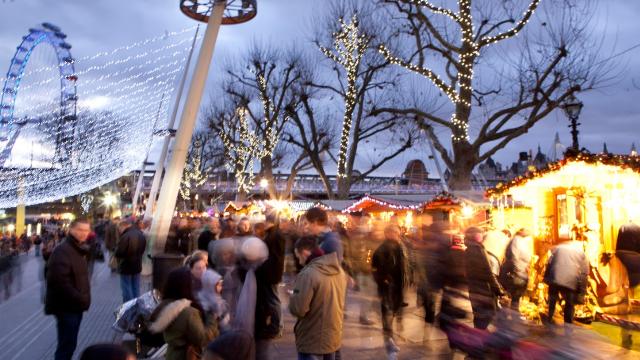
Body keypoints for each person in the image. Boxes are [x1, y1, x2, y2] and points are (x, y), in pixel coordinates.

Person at [290, 236, 347, 360]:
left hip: (312, 339)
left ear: (305, 253)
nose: (299, 261)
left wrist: (293, 296)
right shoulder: (339, 271)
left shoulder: (308, 274)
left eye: (298, 256)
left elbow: (298, 309)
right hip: (332, 337)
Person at [45, 219, 92, 360]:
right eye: (80, 230)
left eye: (86, 230)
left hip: (74, 306)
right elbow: (59, 282)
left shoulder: (77, 249)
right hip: (66, 307)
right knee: (66, 347)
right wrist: (80, 297)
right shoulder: (63, 251)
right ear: (71, 230)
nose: (84, 234)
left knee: (69, 344)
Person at [149, 267, 218, 360]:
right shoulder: (188, 313)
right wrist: (211, 317)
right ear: (187, 286)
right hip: (186, 356)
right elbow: (203, 339)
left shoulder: (166, 305)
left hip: (172, 354)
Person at [371, 224, 408, 357]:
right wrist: (385, 282)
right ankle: (389, 344)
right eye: (395, 233)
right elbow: (376, 269)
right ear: (388, 234)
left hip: (397, 288)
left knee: (391, 314)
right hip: (387, 289)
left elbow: (403, 267)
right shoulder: (382, 249)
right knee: (387, 316)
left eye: (398, 233)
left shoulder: (399, 247)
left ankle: (390, 339)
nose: (398, 236)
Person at [254, 212, 286, 360]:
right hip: (271, 272)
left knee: (273, 299)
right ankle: (276, 324)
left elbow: (274, 257)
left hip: (271, 273)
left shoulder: (275, 235)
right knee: (273, 299)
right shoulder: (273, 234)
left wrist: (262, 267)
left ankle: (277, 325)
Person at [464, 227, 504, 330]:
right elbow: (487, 271)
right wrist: (498, 288)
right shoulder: (477, 250)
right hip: (483, 289)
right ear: (475, 236)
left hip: (474, 288)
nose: (482, 235)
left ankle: (478, 338)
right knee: (486, 316)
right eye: (480, 233)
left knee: (479, 316)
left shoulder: (469, 249)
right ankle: (480, 339)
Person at [544, 239, 589, 325]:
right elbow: (584, 273)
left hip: (555, 277)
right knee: (569, 304)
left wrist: (546, 278)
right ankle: (568, 327)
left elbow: (549, 263)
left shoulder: (558, 248)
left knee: (552, 300)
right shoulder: (580, 252)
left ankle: (549, 319)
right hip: (570, 280)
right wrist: (582, 291)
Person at [500, 229, 533, 312]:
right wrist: (518, 270)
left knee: (516, 295)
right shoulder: (517, 241)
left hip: (520, 272)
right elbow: (514, 257)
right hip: (518, 273)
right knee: (516, 294)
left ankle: (513, 313)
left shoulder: (519, 241)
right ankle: (513, 314)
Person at [116, 217, 147, 303]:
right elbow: (143, 248)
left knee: (127, 287)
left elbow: (119, 252)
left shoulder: (125, 236)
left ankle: (129, 306)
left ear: (123, 226)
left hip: (126, 266)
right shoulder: (140, 234)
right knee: (136, 287)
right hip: (137, 265)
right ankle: (136, 304)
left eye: (119, 229)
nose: (119, 231)